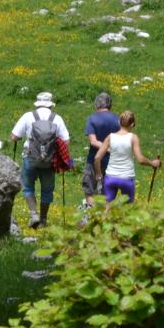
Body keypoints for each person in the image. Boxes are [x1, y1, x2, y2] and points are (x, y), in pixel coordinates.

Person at [10, 91, 71, 229]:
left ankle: (33, 214)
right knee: (47, 190)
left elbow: (14, 136)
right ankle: (43, 220)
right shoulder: (57, 118)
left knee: (27, 187)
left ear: (37, 104)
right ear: (50, 104)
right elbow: (66, 141)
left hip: (30, 157)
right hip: (49, 160)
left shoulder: (28, 116)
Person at [92, 110, 160, 204]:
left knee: (107, 207)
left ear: (119, 122)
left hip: (111, 177)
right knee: (128, 209)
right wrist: (153, 163)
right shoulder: (133, 138)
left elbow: (97, 158)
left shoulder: (110, 137)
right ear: (132, 124)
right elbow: (140, 159)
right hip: (126, 178)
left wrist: (98, 174)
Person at [82, 92, 121, 211]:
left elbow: (93, 141)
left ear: (96, 105)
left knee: (89, 188)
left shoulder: (92, 119)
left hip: (94, 159)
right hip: (113, 160)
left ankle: (92, 215)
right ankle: (106, 218)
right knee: (108, 192)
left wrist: (105, 148)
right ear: (110, 105)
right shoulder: (118, 119)